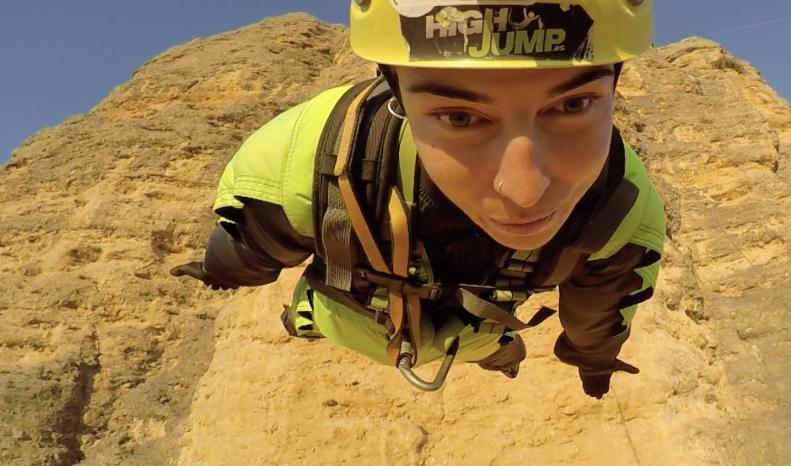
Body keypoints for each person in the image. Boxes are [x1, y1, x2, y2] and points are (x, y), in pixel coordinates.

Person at [171, 0, 665, 399]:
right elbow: (252, 242)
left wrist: (593, 359)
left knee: (489, 344)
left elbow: (598, 315)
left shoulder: (619, 213)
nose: (525, 190)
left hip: (471, 330)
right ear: (397, 95)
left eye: (574, 104)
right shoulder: (309, 159)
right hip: (359, 317)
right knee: (320, 315)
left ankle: (496, 352)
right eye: (459, 117)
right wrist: (223, 269)